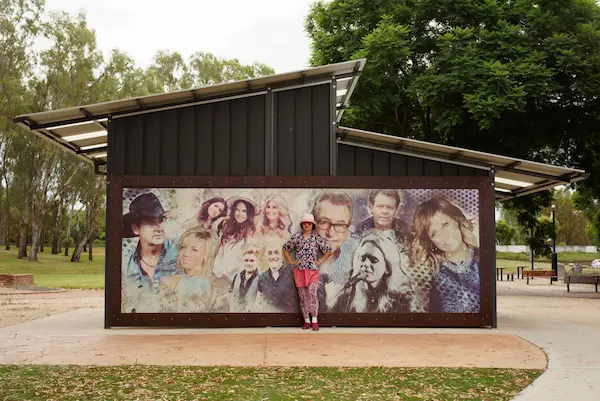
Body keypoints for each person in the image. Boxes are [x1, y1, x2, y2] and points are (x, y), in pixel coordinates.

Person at [410, 197, 480, 313]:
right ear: (430, 241)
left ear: (456, 220)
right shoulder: (430, 273)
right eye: (434, 233)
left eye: (445, 225)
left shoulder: (482, 260)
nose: (444, 235)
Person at [121, 192, 178, 312]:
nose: (158, 227)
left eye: (161, 220)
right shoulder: (125, 264)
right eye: (150, 222)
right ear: (135, 228)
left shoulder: (181, 253)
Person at [333, 232, 415, 313]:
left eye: (373, 260)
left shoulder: (399, 300)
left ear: (387, 268)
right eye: (363, 258)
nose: (366, 264)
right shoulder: (347, 297)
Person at [283, 213, 333, 331]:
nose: (307, 225)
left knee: (312, 294)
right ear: (302, 224)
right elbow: (285, 248)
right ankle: (306, 320)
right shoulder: (297, 237)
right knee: (303, 297)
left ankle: (314, 320)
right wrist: (290, 260)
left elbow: (328, 250)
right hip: (299, 270)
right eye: (305, 223)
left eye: (309, 223)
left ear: (312, 225)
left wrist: (320, 260)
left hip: (312, 271)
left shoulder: (316, 237)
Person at [161, 226, 219, 312]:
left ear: (207, 254)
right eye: (183, 247)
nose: (185, 254)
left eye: (194, 249)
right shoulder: (168, 282)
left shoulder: (218, 285)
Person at [212, 192, 260, 282]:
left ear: (249, 213)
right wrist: (220, 220)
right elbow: (216, 246)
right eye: (237, 210)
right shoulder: (227, 226)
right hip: (217, 273)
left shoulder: (251, 233)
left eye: (244, 211)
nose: (239, 214)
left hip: (234, 277)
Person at [254, 239, 299, 313]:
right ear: (265, 255)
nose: (273, 256)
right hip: (269, 322)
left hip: (290, 322)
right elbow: (258, 303)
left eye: (276, 252)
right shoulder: (262, 277)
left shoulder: (293, 272)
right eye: (269, 253)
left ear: (281, 254)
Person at [230, 243, 261, 312]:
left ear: (257, 262)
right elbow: (231, 297)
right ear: (242, 261)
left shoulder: (262, 279)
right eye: (246, 260)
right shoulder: (237, 276)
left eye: (252, 260)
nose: (249, 263)